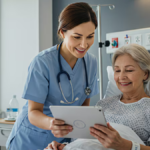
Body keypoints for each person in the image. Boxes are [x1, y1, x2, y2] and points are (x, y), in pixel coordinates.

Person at [6, 2, 99, 150]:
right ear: (62, 32)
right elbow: (33, 112)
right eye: (77, 37)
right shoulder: (42, 63)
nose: (84, 44)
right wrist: (52, 124)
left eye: (90, 36)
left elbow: (82, 109)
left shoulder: (91, 63)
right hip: (30, 139)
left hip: (61, 141)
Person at [46, 44, 150, 150]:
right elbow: (87, 141)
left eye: (129, 70)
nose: (121, 76)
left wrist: (124, 145)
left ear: (145, 74)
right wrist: (64, 146)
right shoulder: (103, 105)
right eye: (117, 70)